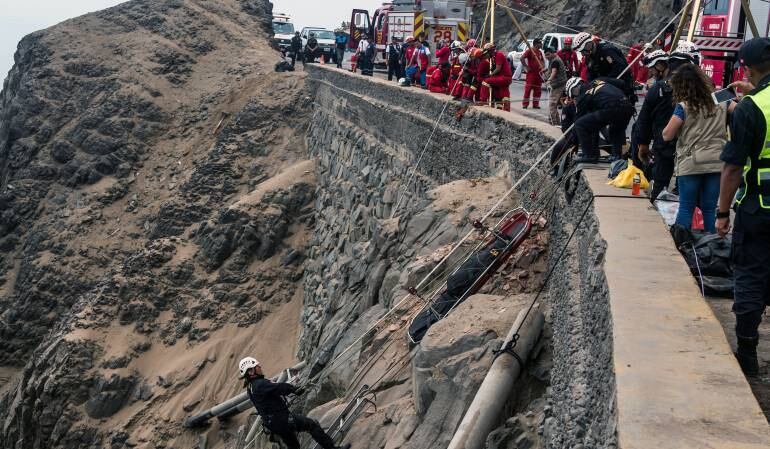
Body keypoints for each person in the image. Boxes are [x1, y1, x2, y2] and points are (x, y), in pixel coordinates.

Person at [715, 38, 770, 376]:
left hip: (758, 209)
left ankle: (748, 353)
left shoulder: (750, 108)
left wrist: (722, 213)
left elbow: (733, 168)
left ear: (747, 69)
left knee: (750, 277)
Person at [661, 63, 727, 232]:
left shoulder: (684, 106)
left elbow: (667, 134)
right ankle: (712, 245)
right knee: (710, 208)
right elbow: (740, 109)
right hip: (716, 160)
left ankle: (683, 244)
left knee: (686, 207)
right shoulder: (720, 98)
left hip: (691, 162)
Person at [240, 357, 350, 449]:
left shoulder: (251, 389)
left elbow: (269, 396)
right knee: (311, 425)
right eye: (257, 367)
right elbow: (278, 387)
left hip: (273, 423)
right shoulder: (259, 384)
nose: (260, 368)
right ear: (251, 371)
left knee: (293, 446)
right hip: (281, 419)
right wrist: (293, 389)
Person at [636, 50, 677, 202]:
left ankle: (659, 206)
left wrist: (643, 143)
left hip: (664, 143)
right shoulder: (695, 87)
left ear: (661, 65)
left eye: (653, 69)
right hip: (686, 147)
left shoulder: (658, 89)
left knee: (660, 184)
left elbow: (643, 120)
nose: (652, 73)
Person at [566, 76, 634, 163]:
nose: (575, 97)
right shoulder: (598, 80)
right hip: (627, 106)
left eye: (573, 94)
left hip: (612, 108)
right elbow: (621, 83)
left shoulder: (583, 97)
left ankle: (590, 155)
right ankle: (616, 156)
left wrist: (574, 143)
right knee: (615, 129)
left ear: (575, 88)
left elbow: (577, 122)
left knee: (580, 124)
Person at [573, 32, 635, 103]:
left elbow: (620, 67)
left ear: (588, 45)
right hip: (606, 89)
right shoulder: (589, 58)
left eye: (583, 51)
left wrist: (604, 81)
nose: (582, 54)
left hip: (620, 86)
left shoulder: (607, 50)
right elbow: (590, 75)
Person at [479, 43, 513, 110]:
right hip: (504, 78)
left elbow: (498, 68)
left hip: (504, 77)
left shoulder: (498, 55)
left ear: (490, 51)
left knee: (485, 82)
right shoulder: (494, 57)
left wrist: (490, 75)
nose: (486, 56)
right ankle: (503, 109)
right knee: (503, 94)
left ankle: (483, 101)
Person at [545, 47, 568, 125]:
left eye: (548, 55)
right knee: (553, 105)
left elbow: (554, 72)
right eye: (545, 55)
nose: (547, 57)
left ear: (552, 53)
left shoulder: (555, 61)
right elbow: (552, 69)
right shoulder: (553, 60)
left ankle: (553, 123)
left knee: (552, 104)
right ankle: (557, 123)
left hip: (558, 85)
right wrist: (545, 70)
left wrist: (549, 80)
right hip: (558, 84)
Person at [521, 38, 545, 109]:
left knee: (538, 90)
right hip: (531, 74)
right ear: (536, 44)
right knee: (528, 89)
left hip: (538, 74)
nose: (541, 44)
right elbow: (522, 58)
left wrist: (542, 67)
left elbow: (542, 61)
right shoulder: (530, 51)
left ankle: (536, 104)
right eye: (540, 43)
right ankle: (525, 104)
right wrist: (526, 67)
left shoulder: (540, 52)